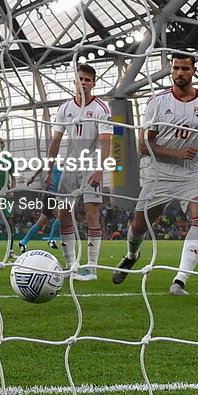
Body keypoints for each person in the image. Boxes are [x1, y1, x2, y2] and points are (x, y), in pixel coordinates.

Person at [113, 54, 198, 295]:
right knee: (139, 226)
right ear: (171, 71)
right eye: (175, 68)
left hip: (194, 175)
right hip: (158, 174)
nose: (179, 72)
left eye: (185, 68)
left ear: (194, 71)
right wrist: (176, 152)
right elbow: (144, 146)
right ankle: (132, 255)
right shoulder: (157, 103)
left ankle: (180, 280)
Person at [44, 64, 113, 280]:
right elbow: (56, 139)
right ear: (74, 82)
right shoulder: (65, 108)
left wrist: (100, 171)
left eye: (87, 80)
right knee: (63, 213)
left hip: (91, 164)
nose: (83, 83)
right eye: (80, 79)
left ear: (93, 83)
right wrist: (49, 168)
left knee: (91, 213)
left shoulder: (101, 108)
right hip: (70, 166)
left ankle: (91, 268)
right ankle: (71, 265)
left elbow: (106, 142)